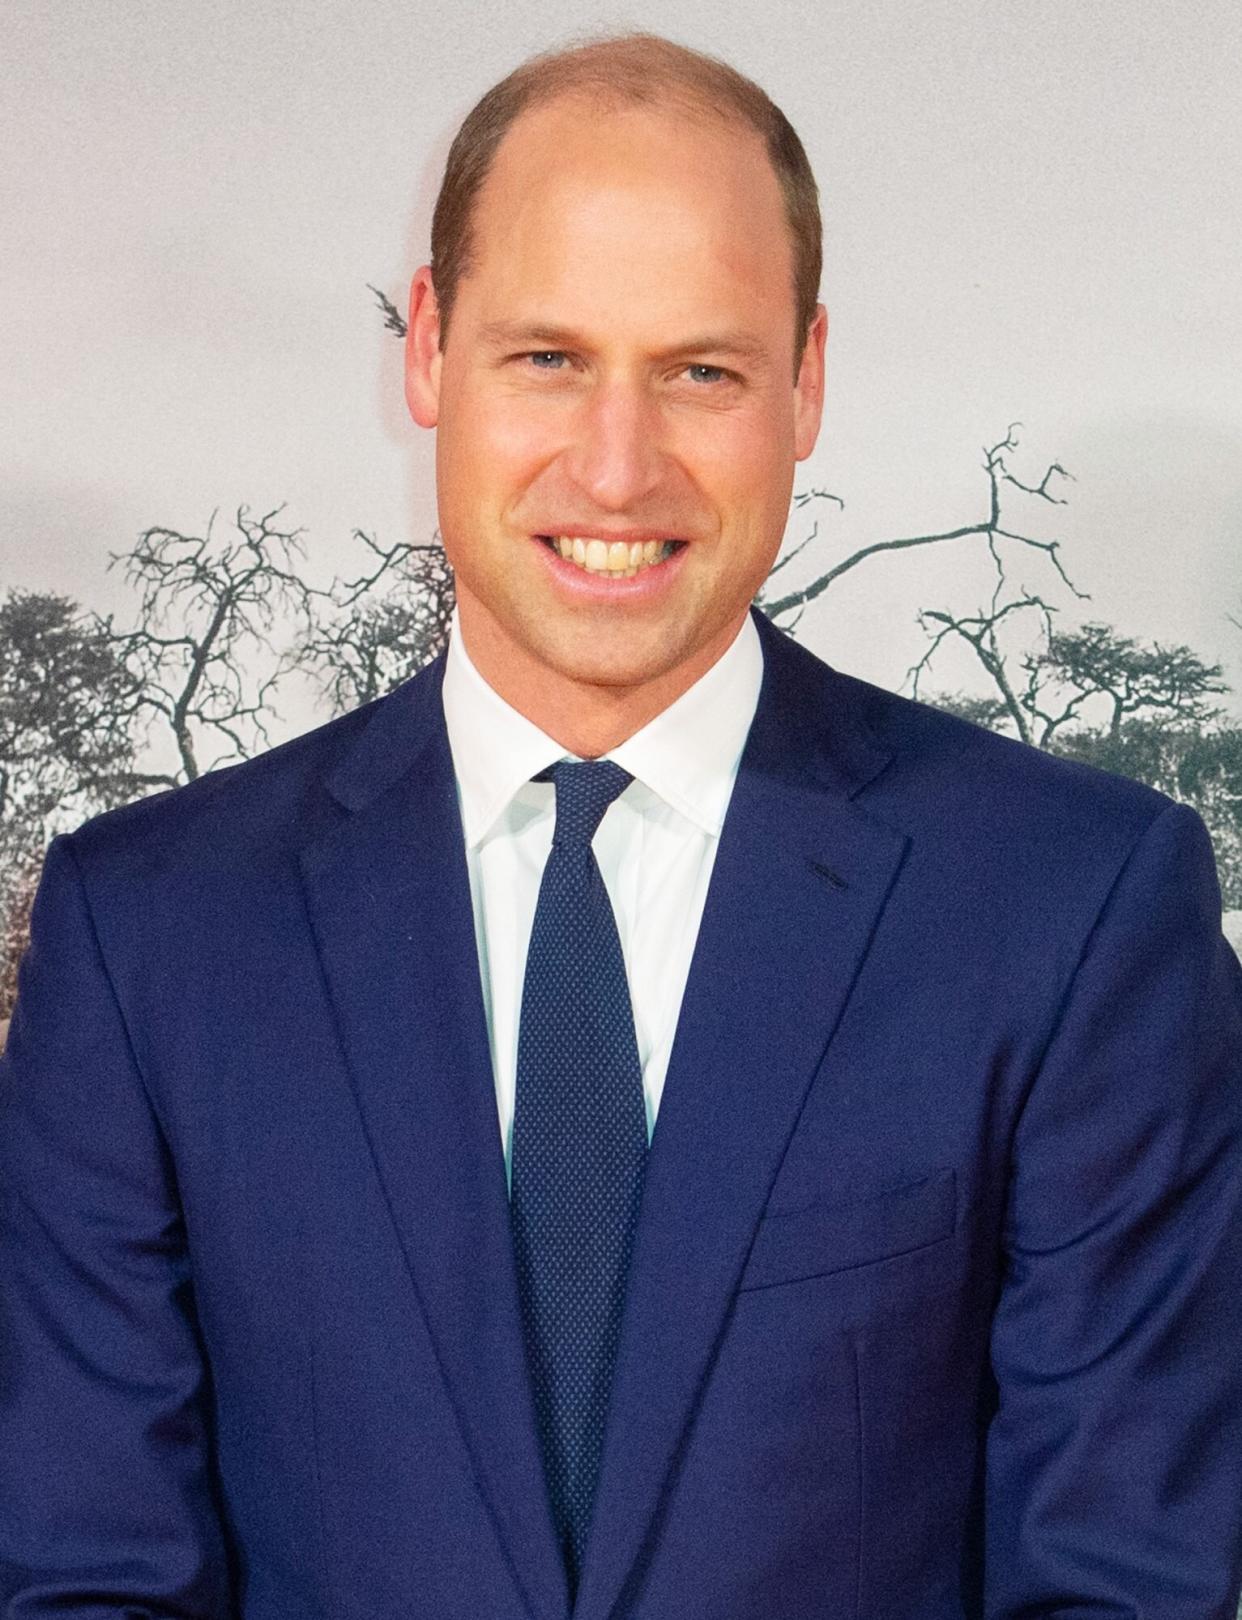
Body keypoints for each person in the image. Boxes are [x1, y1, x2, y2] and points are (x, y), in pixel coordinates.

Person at [1, 29, 1240, 1620]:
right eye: (547, 357)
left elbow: (1125, 1584)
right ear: (428, 350)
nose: (616, 464)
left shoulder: (1074, 909)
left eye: (700, 370)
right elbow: (85, 1581)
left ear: (803, 380)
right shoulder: (146, 930)